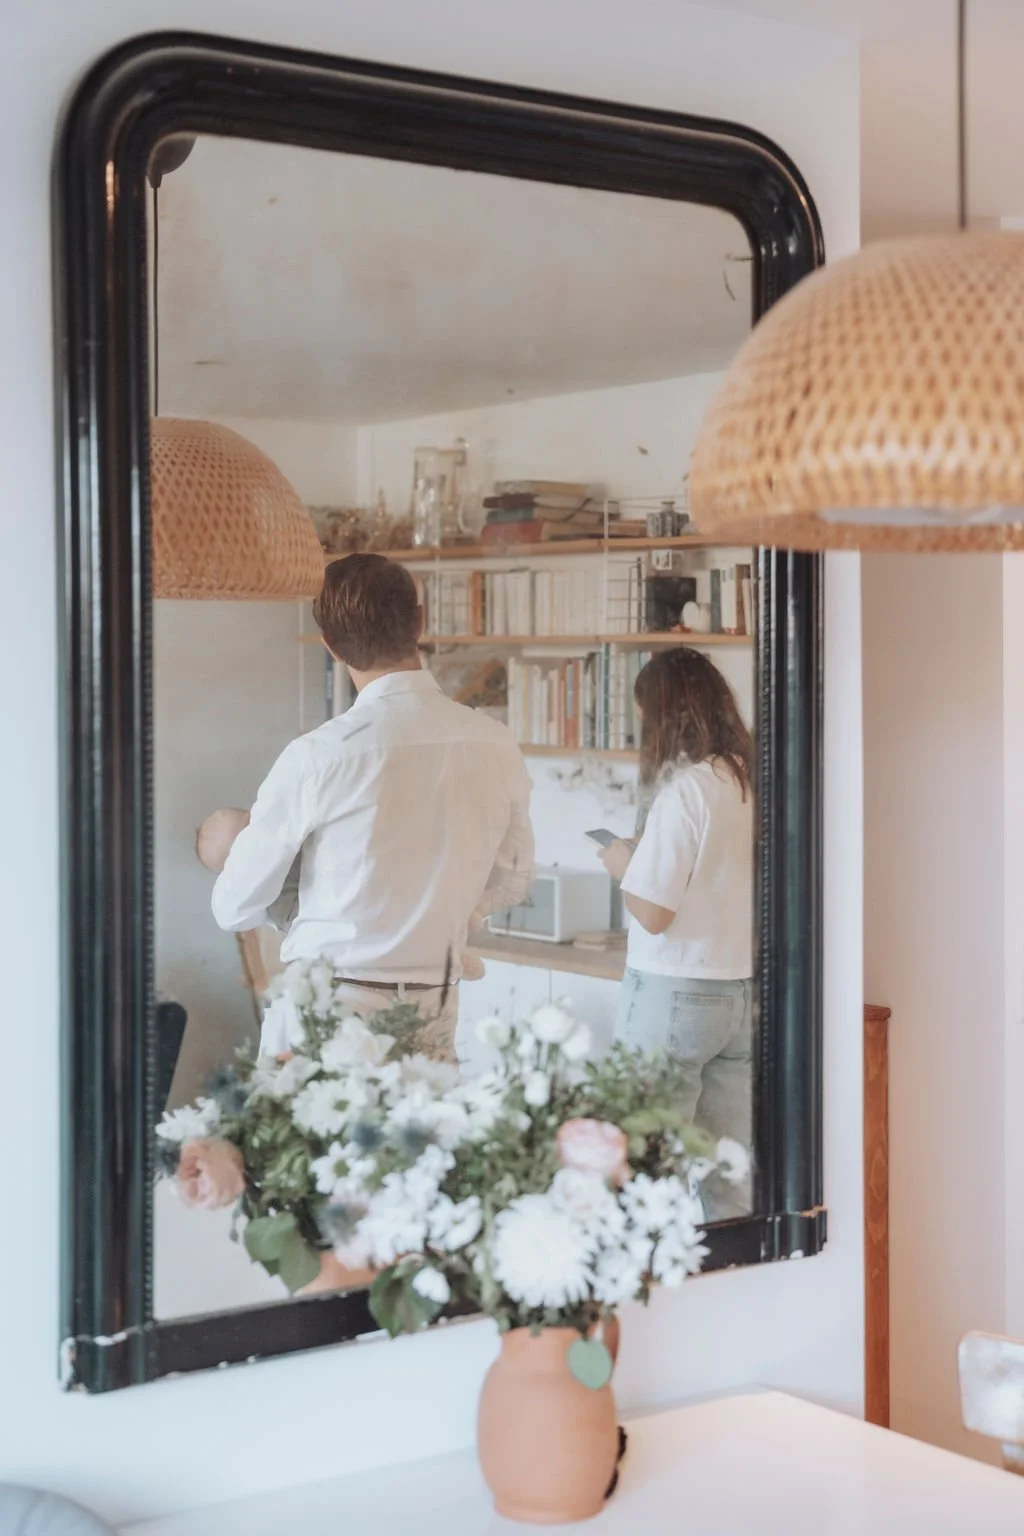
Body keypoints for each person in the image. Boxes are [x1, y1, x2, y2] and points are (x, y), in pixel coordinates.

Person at [210, 553, 533, 1059]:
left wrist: (296, 907)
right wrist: (443, 913)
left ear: (332, 646)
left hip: (330, 1009)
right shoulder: (494, 742)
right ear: (420, 622)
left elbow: (233, 906)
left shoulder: (318, 757)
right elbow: (513, 877)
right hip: (434, 1009)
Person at [597, 646, 754, 1219]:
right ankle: (734, 1281)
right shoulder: (743, 779)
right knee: (727, 1170)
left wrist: (623, 867)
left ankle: (651, 1299)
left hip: (673, 990)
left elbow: (654, 912)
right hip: (736, 990)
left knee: (641, 1166)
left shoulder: (684, 789)